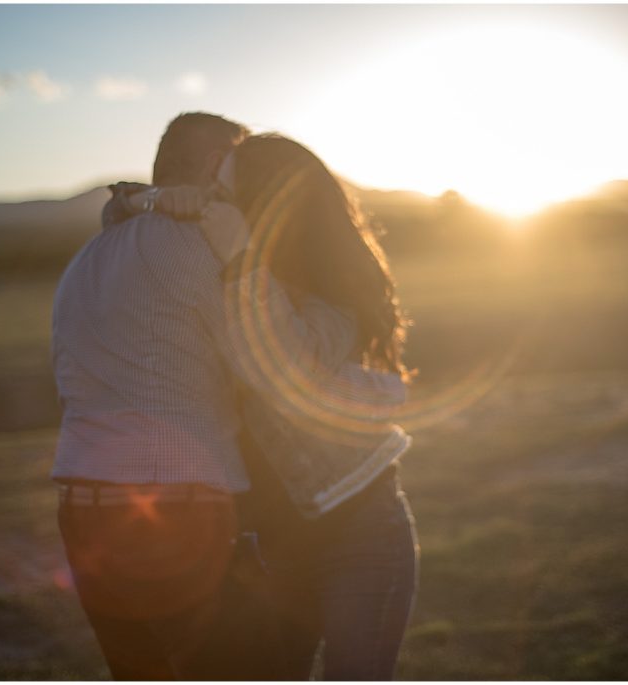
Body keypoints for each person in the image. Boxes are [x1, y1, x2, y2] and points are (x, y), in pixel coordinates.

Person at [50, 113, 357, 680]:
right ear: (216, 166)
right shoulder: (207, 249)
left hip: (82, 510)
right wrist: (342, 315)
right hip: (176, 510)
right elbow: (284, 369)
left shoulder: (87, 259)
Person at [114, 133, 420, 680]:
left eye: (223, 192)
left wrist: (241, 258)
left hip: (360, 534)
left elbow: (283, 372)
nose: (210, 200)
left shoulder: (332, 302)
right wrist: (140, 201)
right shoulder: (224, 273)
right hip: (272, 545)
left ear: (264, 205)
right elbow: (124, 232)